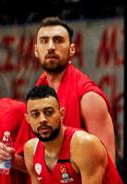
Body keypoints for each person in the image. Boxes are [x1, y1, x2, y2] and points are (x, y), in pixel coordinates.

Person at [33, 17, 117, 156]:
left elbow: (107, 163)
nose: (51, 47)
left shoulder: (90, 98)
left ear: (72, 49)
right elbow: (36, 160)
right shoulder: (37, 94)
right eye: (44, 41)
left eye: (58, 40)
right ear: (36, 50)